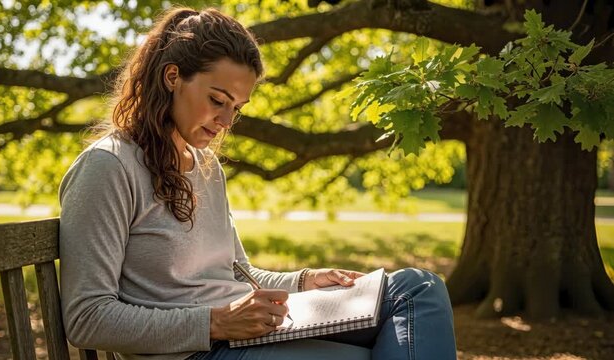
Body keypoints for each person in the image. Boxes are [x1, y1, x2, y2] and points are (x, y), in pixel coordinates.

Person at [58, 7, 457, 360]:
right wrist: (216, 323)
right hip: (194, 351)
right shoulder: (108, 167)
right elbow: (87, 318)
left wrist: (304, 281)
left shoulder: (205, 165)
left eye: (237, 107)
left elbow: (238, 274)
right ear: (173, 77)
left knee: (417, 289)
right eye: (217, 100)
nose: (227, 121)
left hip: (245, 334)